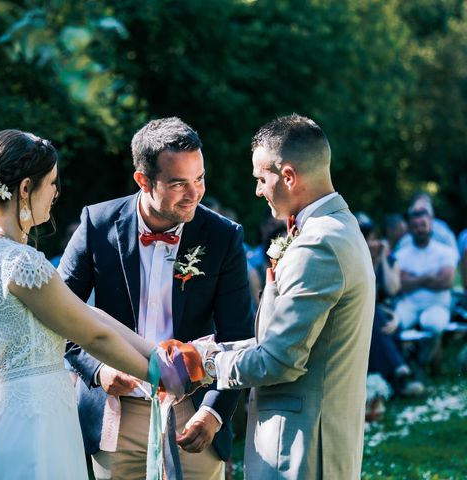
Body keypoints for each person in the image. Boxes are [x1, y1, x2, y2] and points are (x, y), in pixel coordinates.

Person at [58, 117, 254, 480]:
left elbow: (238, 337)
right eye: (179, 183)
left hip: (193, 411)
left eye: (199, 179)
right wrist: (99, 370)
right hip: (115, 415)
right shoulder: (97, 224)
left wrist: (212, 414)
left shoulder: (223, 237)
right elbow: (59, 315)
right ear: (143, 180)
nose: (194, 193)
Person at [0, 129, 155, 479]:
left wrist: (155, 352)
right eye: (51, 183)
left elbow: (88, 314)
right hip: (38, 421)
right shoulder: (21, 262)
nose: (56, 193)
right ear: (24, 189)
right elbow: (94, 336)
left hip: (3, 415)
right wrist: (158, 375)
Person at [192, 114, 375, 479]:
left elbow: (280, 360)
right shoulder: (340, 227)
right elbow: (285, 340)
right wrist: (216, 348)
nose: (258, 190)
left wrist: (207, 363)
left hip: (301, 448)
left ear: (288, 176)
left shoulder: (319, 243)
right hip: (304, 438)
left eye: (262, 178)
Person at [356, 212, 425, 397]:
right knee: (374, 320)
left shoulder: (391, 260)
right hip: (365, 313)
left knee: (379, 322)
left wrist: (383, 259)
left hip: (387, 313)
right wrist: (372, 261)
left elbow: (393, 289)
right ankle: (399, 373)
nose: (370, 243)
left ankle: (392, 379)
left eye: (371, 239)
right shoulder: (356, 263)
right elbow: (367, 296)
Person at [394, 207, 458, 367]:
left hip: (437, 304)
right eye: (415, 226)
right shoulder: (402, 254)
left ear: (431, 225)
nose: (419, 229)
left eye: (423, 225)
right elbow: (401, 284)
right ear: (409, 228)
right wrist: (429, 277)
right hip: (409, 305)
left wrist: (414, 278)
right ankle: (404, 365)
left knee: (433, 325)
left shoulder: (445, 251)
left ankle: (424, 366)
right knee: (394, 324)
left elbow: (446, 282)